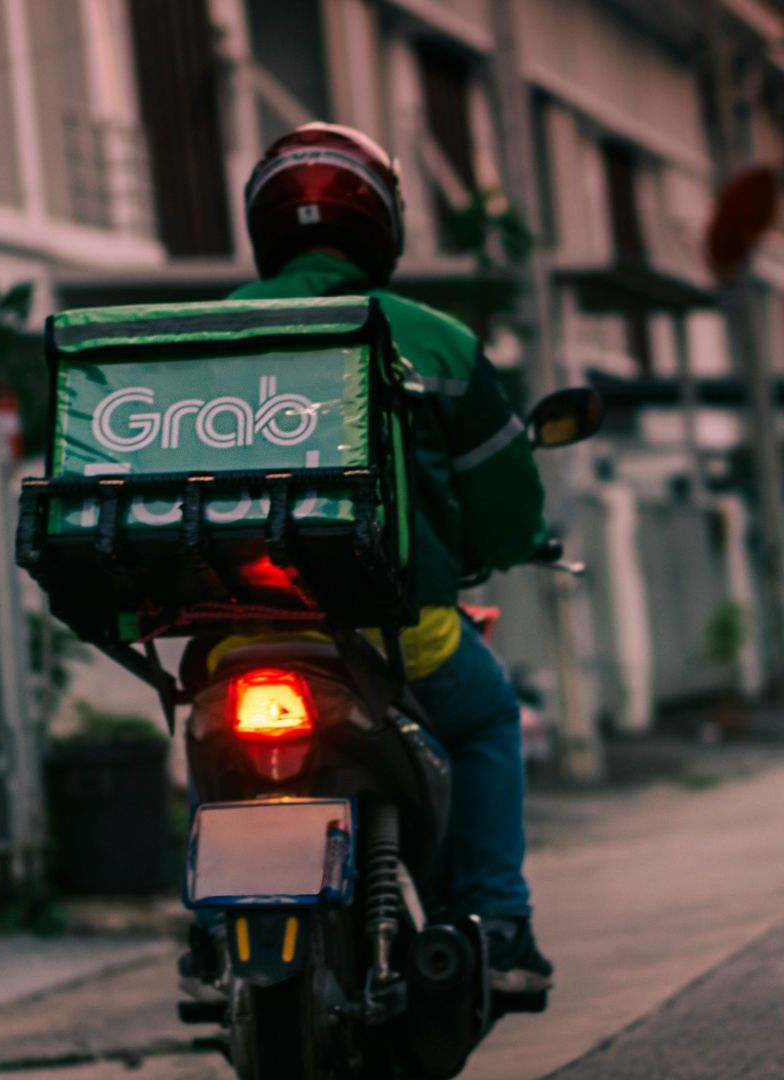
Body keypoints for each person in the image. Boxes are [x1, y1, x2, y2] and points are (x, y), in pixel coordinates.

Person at [223, 122, 552, 993]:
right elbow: (507, 497)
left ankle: (216, 935)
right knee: (485, 722)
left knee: (214, 736)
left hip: (237, 634)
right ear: (382, 224)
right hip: (399, 634)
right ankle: (498, 920)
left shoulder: (200, 333)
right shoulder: (432, 339)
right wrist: (512, 546)